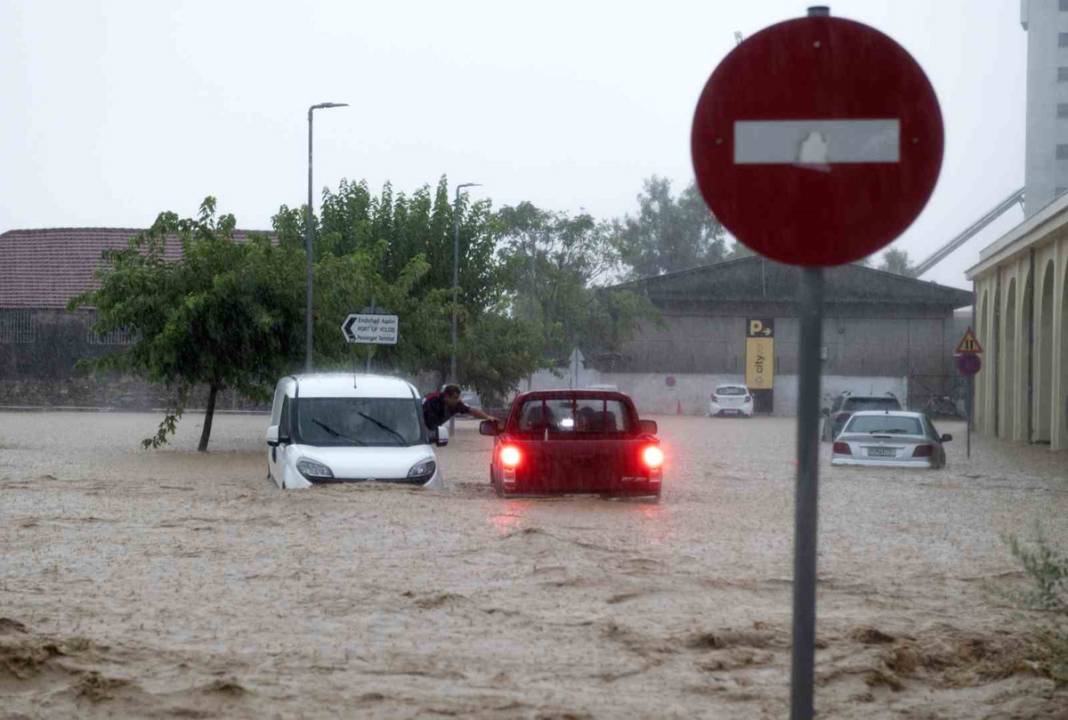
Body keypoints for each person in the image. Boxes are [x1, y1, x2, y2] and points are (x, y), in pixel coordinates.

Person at [422, 384, 497, 430]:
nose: (458, 400)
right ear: (446, 396)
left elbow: (472, 411)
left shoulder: (457, 404)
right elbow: (429, 426)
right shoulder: (432, 402)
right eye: (455, 397)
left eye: (458, 397)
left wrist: (487, 417)